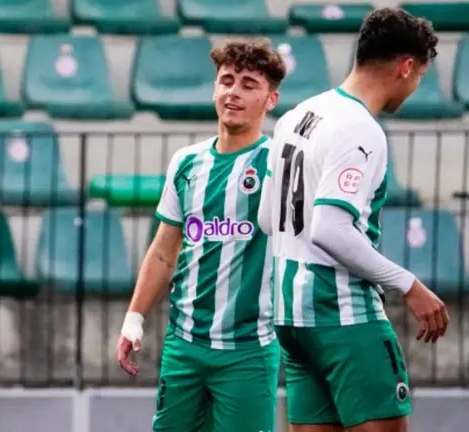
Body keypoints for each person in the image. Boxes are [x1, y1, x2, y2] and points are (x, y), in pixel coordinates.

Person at [258, 7, 449, 432]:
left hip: (291, 315)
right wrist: (409, 285)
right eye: (420, 75)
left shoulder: (295, 116)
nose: (416, 87)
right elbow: (331, 228)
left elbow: (268, 217)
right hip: (340, 312)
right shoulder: (359, 128)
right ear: (406, 67)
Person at [116, 39, 286, 431]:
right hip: (184, 346)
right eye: (226, 80)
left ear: (271, 99)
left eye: (248, 84)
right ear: (214, 89)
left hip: (248, 351)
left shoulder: (279, 163)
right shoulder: (187, 162)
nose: (234, 92)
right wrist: (134, 318)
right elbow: (163, 252)